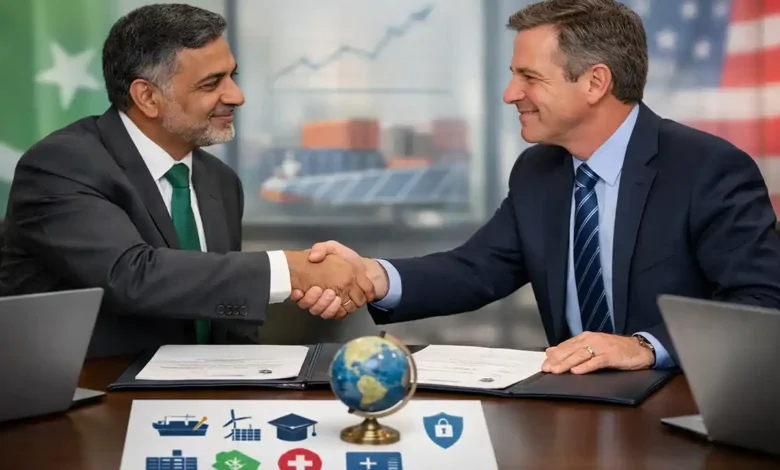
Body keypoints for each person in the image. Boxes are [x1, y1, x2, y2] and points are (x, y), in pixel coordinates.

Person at [292, 0, 780, 374]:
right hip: (573, 406)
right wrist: (373, 276)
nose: (511, 94)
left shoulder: (707, 168)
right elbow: (478, 269)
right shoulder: (537, 171)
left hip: (678, 409)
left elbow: (762, 303)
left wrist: (644, 347)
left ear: (595, 83)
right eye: (513, 76)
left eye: (529, 77)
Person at [0, 4, 373, 358]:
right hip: (92, 393)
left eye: (232, 76)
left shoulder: (221, 181)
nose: (237, 96)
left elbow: (228, 319)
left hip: (206, 395)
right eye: (211, 84)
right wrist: (291, 271)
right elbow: (130, 276)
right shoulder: (63, 164)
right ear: (147, 97)